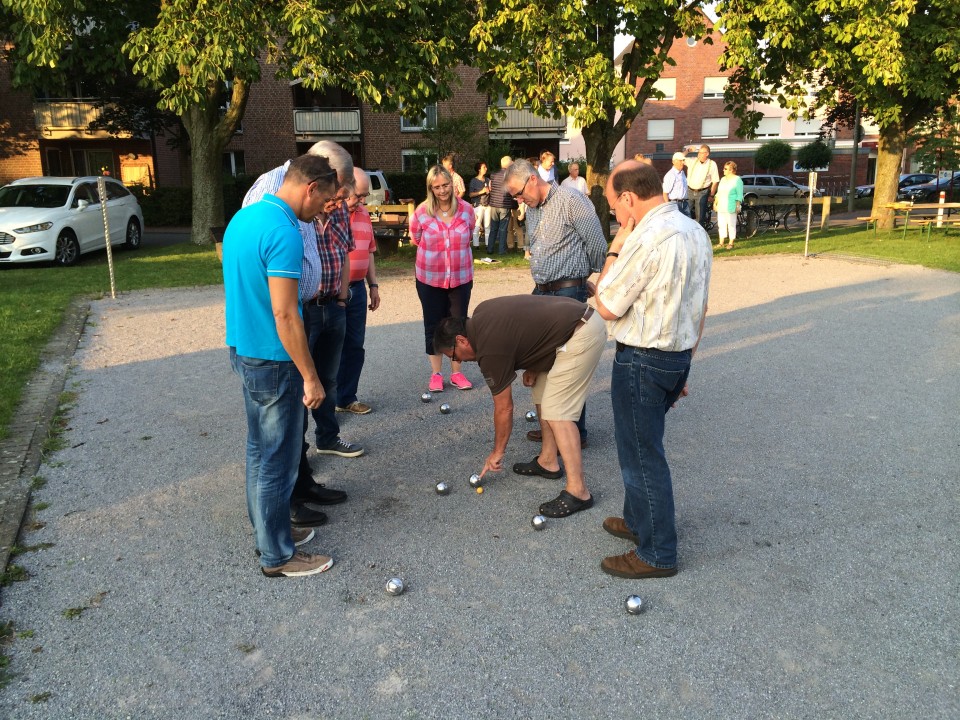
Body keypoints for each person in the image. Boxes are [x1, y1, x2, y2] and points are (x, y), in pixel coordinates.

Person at [594, 160, 711, 579]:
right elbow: (700, 307)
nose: (615, 216)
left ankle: (657, 552)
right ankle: (639, 520)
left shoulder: (645, 237)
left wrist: (615, 246)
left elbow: (606, 303)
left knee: (642, 457)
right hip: (675, 356)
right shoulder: (696, 231)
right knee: (640, 448)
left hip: (642, 358)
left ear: (628, 198)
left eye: (613, 207)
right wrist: (684, 367)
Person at [223, 153, 338, 578]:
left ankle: (268, 533)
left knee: (259, 452)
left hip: (243, 350)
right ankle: (277, 556)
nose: (324, 209)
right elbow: (286, 315)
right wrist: (311, 376)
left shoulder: (243, 218)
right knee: (278, 460)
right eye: (324, 200)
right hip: (275, 360)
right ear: (310, 188)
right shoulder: (284, 231)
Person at [243, 140, 360, 534]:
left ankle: (289, 498)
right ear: (315, 180)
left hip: (281, 328)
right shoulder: (277, 216)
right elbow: (280, 306)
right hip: (283, 332)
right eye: (332, 193)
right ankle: (278, 532)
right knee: (277, 443)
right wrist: (306, 373)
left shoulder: (262, 217)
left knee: (267, 443)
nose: (333, 205)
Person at [433, 295, 606, 517]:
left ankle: (579, 491)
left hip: (582, 332)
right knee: (542, 394)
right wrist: (533, 363)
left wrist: (497, 452)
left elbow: (504, 408)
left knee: (558, 414)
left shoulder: (488, 349)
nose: (459, 362)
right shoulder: (481, 314)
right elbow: (528, 330)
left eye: (453, 355)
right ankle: (548, 461)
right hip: (571, 327)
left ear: (461, 340)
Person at [504, 158, 606, 448]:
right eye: (514, 196)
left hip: (566, 294)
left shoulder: (572, 200)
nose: (518, 200)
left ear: (533, 179)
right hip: (543, 291)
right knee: (541, 357)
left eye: (518, 193)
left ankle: (575, 433)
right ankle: (552, 429)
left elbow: (597, 243)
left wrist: (579, 278)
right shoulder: (533, 208)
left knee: (568, 362)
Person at [410, 165, 475, 393]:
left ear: (452, 184)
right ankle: (436, 374)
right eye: (436, 187)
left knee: (458, 324)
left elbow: (469, 235)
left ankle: (456, 373)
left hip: (461, 278)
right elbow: (416, 238)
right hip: (430, 279)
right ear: (430, 188)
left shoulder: (467, 210)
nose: (442, 190)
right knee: (433, 324)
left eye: (445, 185)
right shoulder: (421, 212)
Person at [335, 167, 381, 414]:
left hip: (358, 289)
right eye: (359, 196)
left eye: (364, 196)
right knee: (332, 346)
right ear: (345, 189)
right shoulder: (333, 213)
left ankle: (346, 397)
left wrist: (373, 285)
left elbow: (369, 251)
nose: (362, 201)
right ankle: (327, 399)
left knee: (355, 345)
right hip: (334, 291)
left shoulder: (362, 213)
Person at [486, 156, 516, 256]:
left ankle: (490, 249)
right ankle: (501, 250)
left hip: (493, 204)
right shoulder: (510, 176)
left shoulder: (493, 174)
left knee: (493, 228)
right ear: (509, 164)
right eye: (512, 162)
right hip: (504, 204)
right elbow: (512, 190)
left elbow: (491, 188)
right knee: (503, 229)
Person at [685, 144, 720, 229]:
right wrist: (688, 151)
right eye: (699, 152)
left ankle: (699, 235)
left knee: (700, 216)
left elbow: (715, 181)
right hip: (689, 190)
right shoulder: (693, 161)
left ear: (707, 154)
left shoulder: (712, 164)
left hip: (702, 192)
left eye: (701, 153)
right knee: (685, 214)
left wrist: (711, 195)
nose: (699, 154)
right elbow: (677, 158)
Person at [714, 160, 744, 249]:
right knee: (721, 224)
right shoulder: (723, 179)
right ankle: (721, 242)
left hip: (731, 205)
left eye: (725, 169)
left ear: (731, 170)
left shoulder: (737, 180)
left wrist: (738, 205)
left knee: (731, 224)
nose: (723, 170)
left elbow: (739, 194)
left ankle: (731, 242)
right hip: (721, 205)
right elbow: (718, 192)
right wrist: (715, 203)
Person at [468, 161, 491, 248]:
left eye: (486, 167)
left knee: (487, 225)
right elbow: (470, 194)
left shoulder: (488, 180)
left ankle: (487, 244)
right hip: (478, 205)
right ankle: (476, 244)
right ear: (479, 169)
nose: (486, 169)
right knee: (477, 225)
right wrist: (481, 192)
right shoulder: (474, 181)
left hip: (488, 205)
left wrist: (490, 191)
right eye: (484, 167)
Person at [662, 151, 690, 216]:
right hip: (675, 204)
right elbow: (665, 193)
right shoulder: (671, 175)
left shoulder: (682, 173)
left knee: (688, 224)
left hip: (685, 203)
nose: (682, 162)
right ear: (674, 162)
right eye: (680, 161)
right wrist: (668, 208)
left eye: (683, 160)